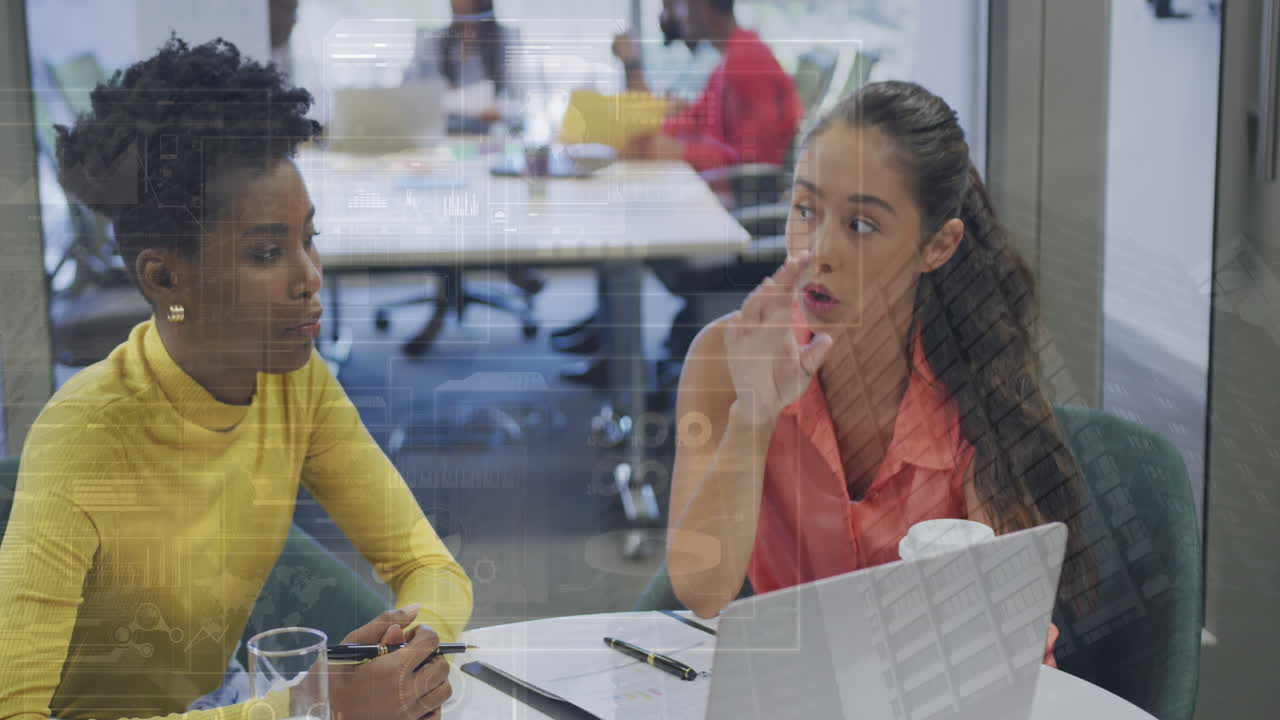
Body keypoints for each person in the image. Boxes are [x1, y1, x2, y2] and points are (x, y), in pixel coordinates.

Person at [0, 37, 471, 719]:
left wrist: (410, 646)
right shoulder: (83, 438)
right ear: (166, 278)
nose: (310, 278)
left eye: (309, 238)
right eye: (266, 253)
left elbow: (430, 567)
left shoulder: (294, 383)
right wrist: (310, 708)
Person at [666, 81, 1097, 667]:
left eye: (861, 226)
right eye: (805, 210)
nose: (820, 250)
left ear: (938, 246)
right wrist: (754, 415)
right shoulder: (726, 357)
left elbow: (1007, 644)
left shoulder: (976, 380)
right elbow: (702, 589)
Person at [624, 0, 801, 174]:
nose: (677, 14)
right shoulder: (725, 63)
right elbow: (694, 119)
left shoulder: (747, 60)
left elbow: (756, 163)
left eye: (681, 3)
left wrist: (682, 152)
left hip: (738, 197)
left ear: (702, 5)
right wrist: (646, 140)